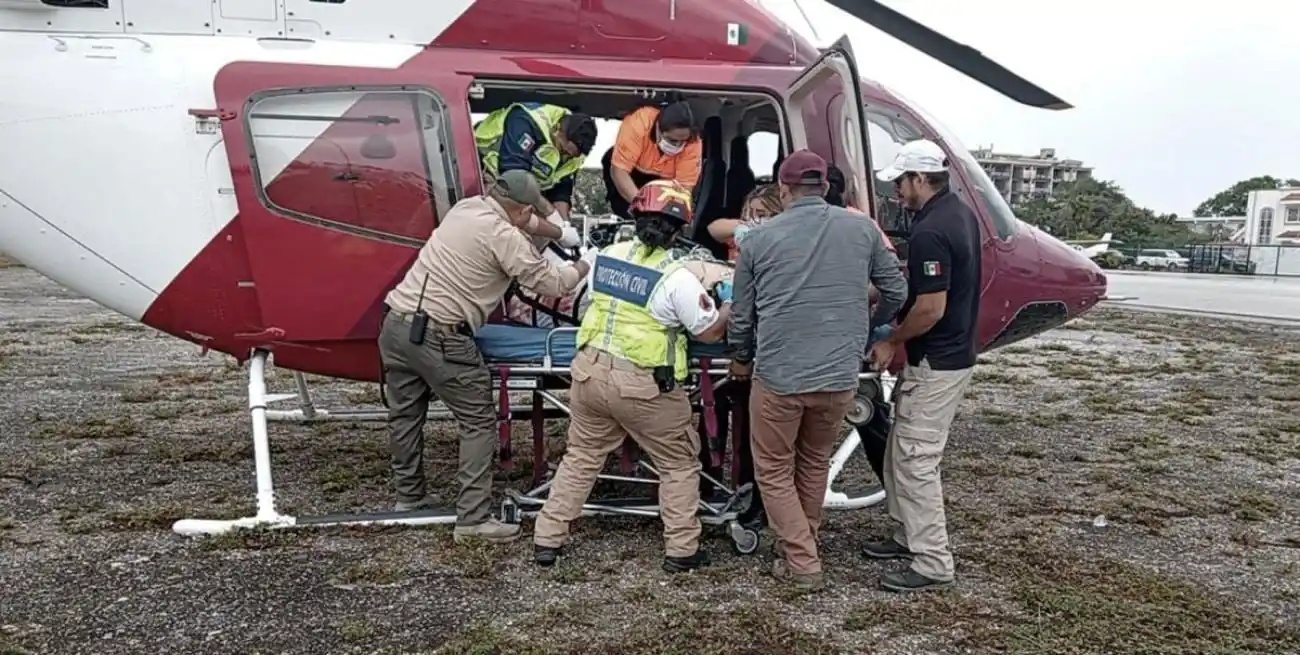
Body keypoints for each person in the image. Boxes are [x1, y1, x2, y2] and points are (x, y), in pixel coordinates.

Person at [379, 170, 597, 544]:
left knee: (405, 416)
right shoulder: (505, 237)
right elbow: (554, 283)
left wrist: (561, 233)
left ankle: (409, 498)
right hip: (441, 336)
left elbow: (522, 219)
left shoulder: (467, 209)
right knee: (478, 421)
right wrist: (586, 263)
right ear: (523, 208)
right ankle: (473, 519)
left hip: (396, 327)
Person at [728, 150, 907, 592]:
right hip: (838, 375)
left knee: (772, 467)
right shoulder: (862, 228)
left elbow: (742, 317)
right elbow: (896, 290)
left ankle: (802, 561)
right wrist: (866, 325)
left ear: (783, 189)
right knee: (812, 462)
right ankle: (801, 543)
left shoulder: (758, 239)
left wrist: (741, 356)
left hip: (779, 375)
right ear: (825, 187)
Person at [532, 180, 731, 572]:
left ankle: (547, 538)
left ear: (635, 216)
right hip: (645, 388)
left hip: (589, 375)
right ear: (680, 229)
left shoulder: (607, 256)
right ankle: (682, 550)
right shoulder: (676, 277)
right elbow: (707, 331)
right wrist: (728, 310)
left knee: (581, 458)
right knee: (677, 464)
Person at [863, 139, 982, 593]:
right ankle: (904, 533)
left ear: (919, 178)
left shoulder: (933, 229)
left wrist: (892, 338)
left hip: (938, 359)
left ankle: (932, 560)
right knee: (898, 448)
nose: (898, 191)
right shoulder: (958, 213)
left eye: (901, 181)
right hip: (948, 353)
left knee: (915, 459)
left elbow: (931, 307)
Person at [474, 102, 598, 247]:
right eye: (563, 150)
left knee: (543, 237)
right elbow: (516, 179)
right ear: (557, 130)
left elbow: (561, 191)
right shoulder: (526, 120)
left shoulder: (575, 156)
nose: (565, 157)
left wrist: (564, 224)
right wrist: (551, 215)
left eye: (570, 156)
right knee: (514, 224)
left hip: (524, 186)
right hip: (484, 169)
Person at [601, 100, 702, 218]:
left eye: (682, 142)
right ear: (658, 128)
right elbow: (619, 171)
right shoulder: (638, 123)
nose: (677, 145)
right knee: (624, 210)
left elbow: (683, 190)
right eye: (672, 140)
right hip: (631, 171)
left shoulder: (693, 142)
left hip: (665, 180)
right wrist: (642, 207)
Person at [705, 183, 783, 261]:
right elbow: (713, 228)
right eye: (748, 212)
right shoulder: (744, 231)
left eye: (761, 215)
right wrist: (739, 227)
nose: (752, 219)